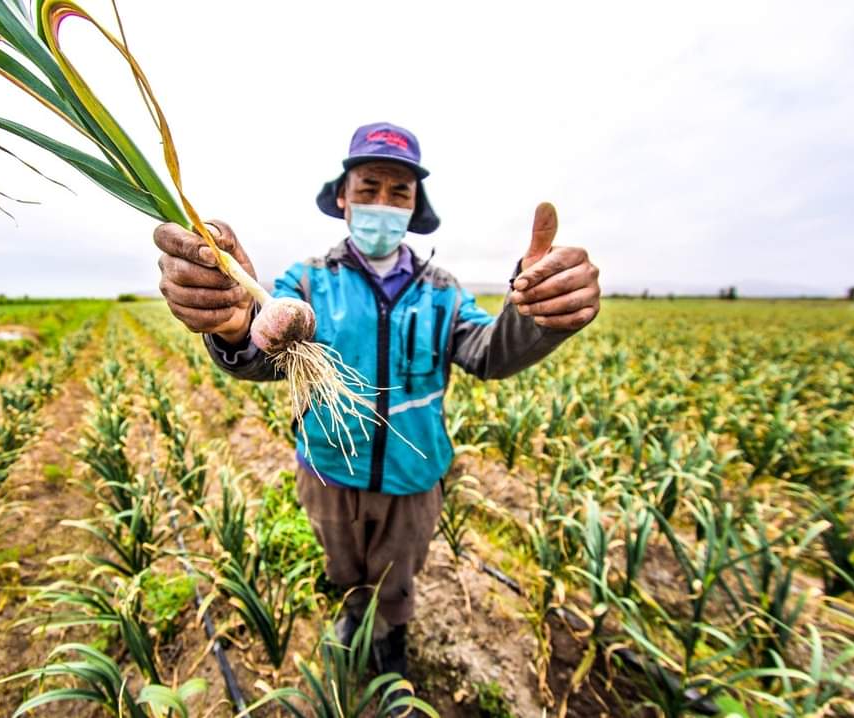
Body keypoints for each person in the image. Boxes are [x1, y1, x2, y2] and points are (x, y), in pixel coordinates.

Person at [154, 121, 600, 693]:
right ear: (342, 197)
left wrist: (537, 316)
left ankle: (390, 640)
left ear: (415, 209)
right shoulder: (309, 281)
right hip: (329, 469)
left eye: (399, 192)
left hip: (413, 476)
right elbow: (262, 335)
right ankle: (349, 614)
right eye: (368, 188)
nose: (382, 203)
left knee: (398, 576)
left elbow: (488, 352)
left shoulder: (442, 290)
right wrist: (235, 321)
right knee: (342, 564)